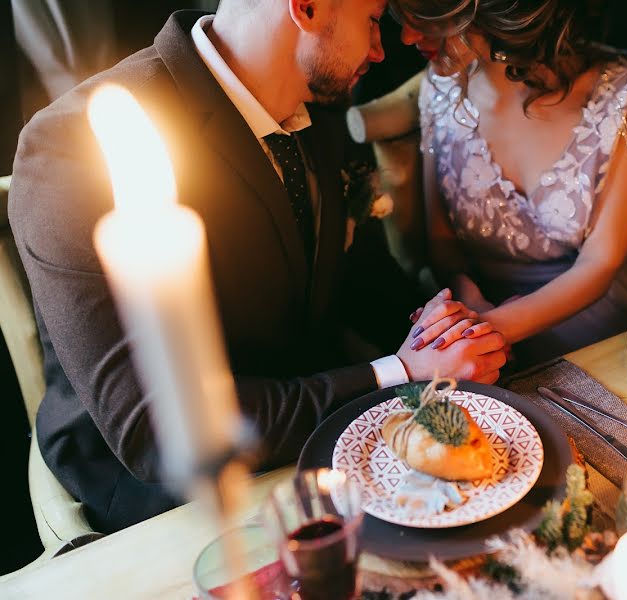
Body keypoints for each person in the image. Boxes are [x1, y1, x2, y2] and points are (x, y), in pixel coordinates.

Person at [8, 0, 506, 533]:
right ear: (308, 9)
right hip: (166, 493)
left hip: (317, 418)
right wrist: (400, 373)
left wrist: (440, 328)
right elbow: (157, 431)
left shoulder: (317, 100)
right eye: (372, 21)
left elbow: (356, 277)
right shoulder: (72, 151)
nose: (382, 49)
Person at [390, 0, 627, 366]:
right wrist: (471, 305)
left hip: (596, 312)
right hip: (476, 309)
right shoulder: (440, 87)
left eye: (425, 16)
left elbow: (599, 264)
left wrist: (490, 328)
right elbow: (441, 243)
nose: (406, 36)